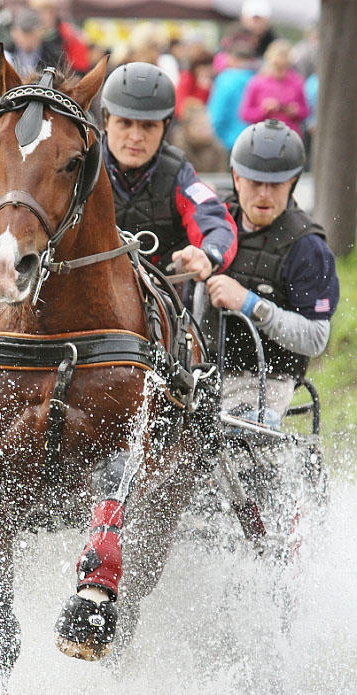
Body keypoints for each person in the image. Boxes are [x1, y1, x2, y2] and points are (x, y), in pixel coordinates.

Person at [202, 119, 339, 427]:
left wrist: (249, 303)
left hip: (265, 383)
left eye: (275, 184)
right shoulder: (213, 219)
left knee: (232, 441)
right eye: (253, 182)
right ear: (236, 178)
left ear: (292, 182)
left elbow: (316, 338)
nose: (264, 194)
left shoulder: (308, 247)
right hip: (201, 372)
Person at [101, 62, 237, 285]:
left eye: (148, 126)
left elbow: (214, 218)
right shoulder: (80, 167)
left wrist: (208, 255)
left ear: (165, 126)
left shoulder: (179, 175)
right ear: (106, 121)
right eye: (124, 123)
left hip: (159, 295)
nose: (135, 136)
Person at [239, 40, 309, 138]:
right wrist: (264, 110)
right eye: (276, 67)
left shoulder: (297, 82)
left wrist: (295, 111)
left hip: (289, 137)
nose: (279, 72)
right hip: (262, 137)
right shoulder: (256, 83)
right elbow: (244, 114)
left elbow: (305, 112)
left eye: (284, 67)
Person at [207, 39, 256, 153]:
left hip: (228, 143)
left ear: (232, 58)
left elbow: (216, 114)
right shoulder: (260, 79)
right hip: (255, 142)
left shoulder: (225, 79)